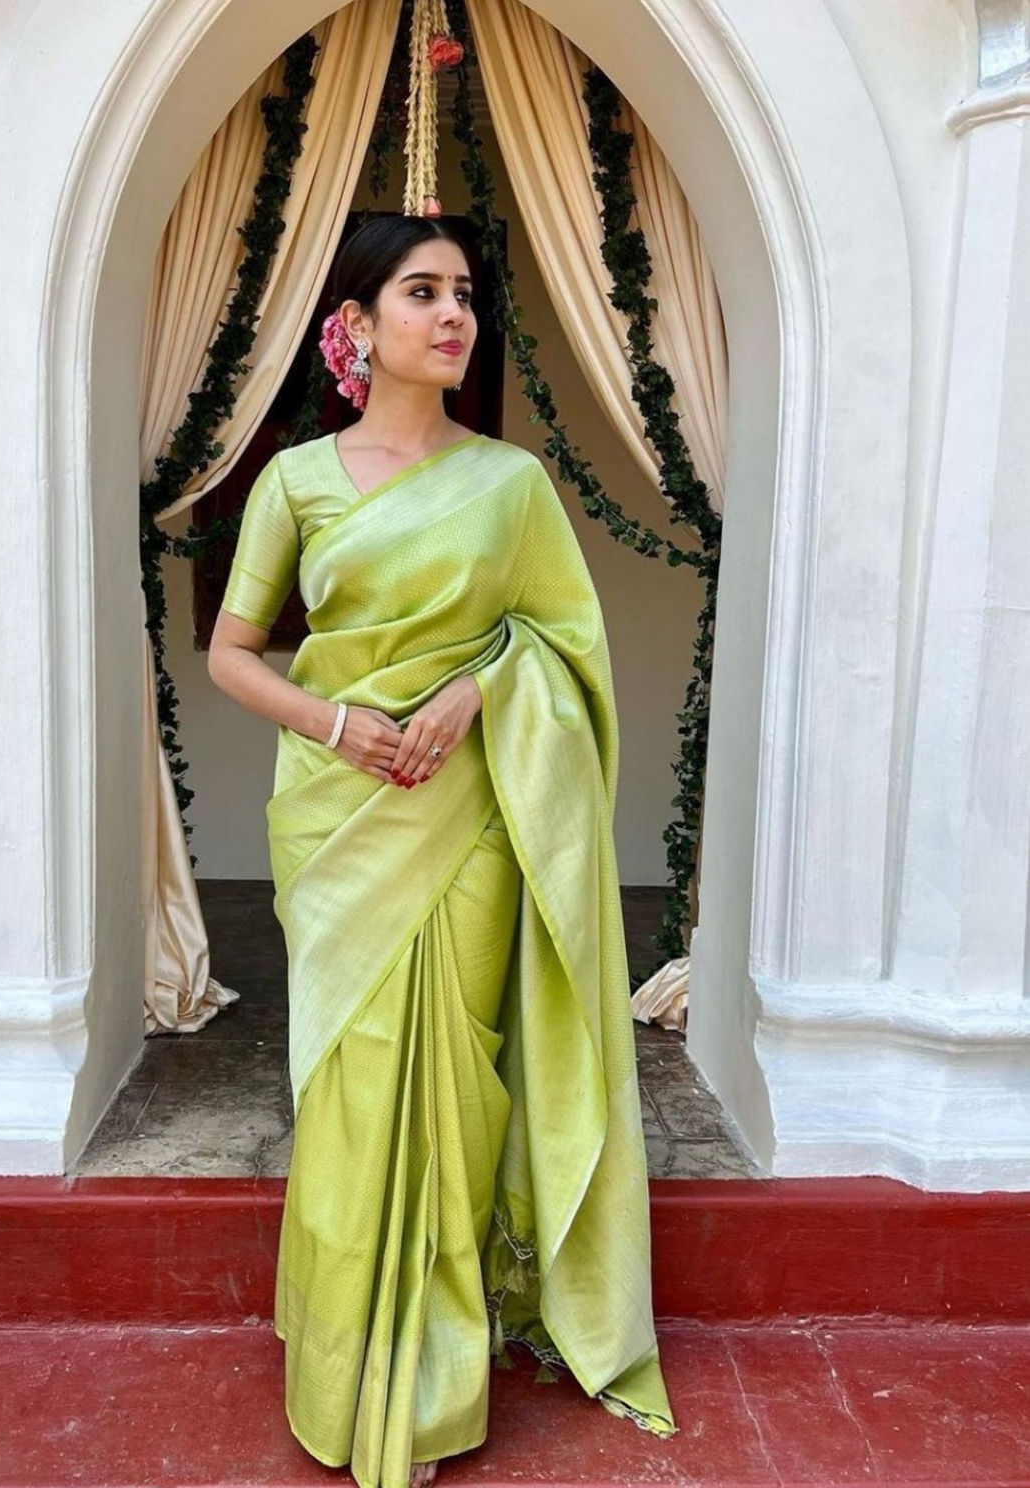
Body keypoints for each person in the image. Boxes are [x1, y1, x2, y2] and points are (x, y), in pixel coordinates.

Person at [208, 213, 677, 1488]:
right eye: (421, 292)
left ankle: (426, 1386)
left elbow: (565, 648)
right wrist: (337, 722)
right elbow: (234, 656)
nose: (453, 314)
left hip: (469, 813)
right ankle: (342, 1363)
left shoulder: (511, 486)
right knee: (354, 1091)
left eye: (463, 292)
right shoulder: (295, 483)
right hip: (338, 819)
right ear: (356, 326)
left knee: (457, 1096)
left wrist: (483, 688)